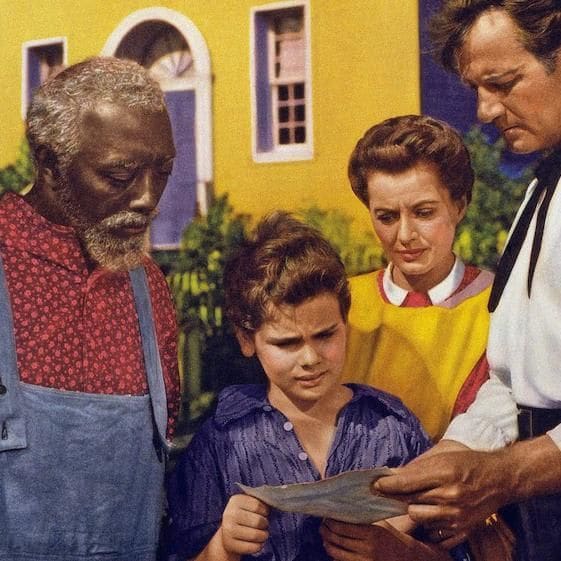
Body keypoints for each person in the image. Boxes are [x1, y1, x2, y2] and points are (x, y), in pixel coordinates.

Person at [373, 3, 561, 561]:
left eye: (501, 84)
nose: (483, 111)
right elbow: (514, 378)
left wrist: (501, 475)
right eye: (476, 88)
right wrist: (452, 456)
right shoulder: (537, 197)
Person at [165, 212, 451, 561]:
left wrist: (399, 551)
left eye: (325, 335)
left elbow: (453, 548)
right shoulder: (224, 442)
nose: (310, 358)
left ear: (344, 321)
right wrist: (222, 546)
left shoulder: (391, 427)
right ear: (246, 339)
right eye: (287, 343)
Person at [0, 56, 180, 560]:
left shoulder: (149, 290)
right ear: (50, 161)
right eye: (120, 175)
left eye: (162, 172)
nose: (148, 199)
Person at [343, 114, 493, 441]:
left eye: (424, 213)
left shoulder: (498, 304)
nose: (405, 234)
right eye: (386, 217)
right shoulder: (345, 303)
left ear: (459, 206)